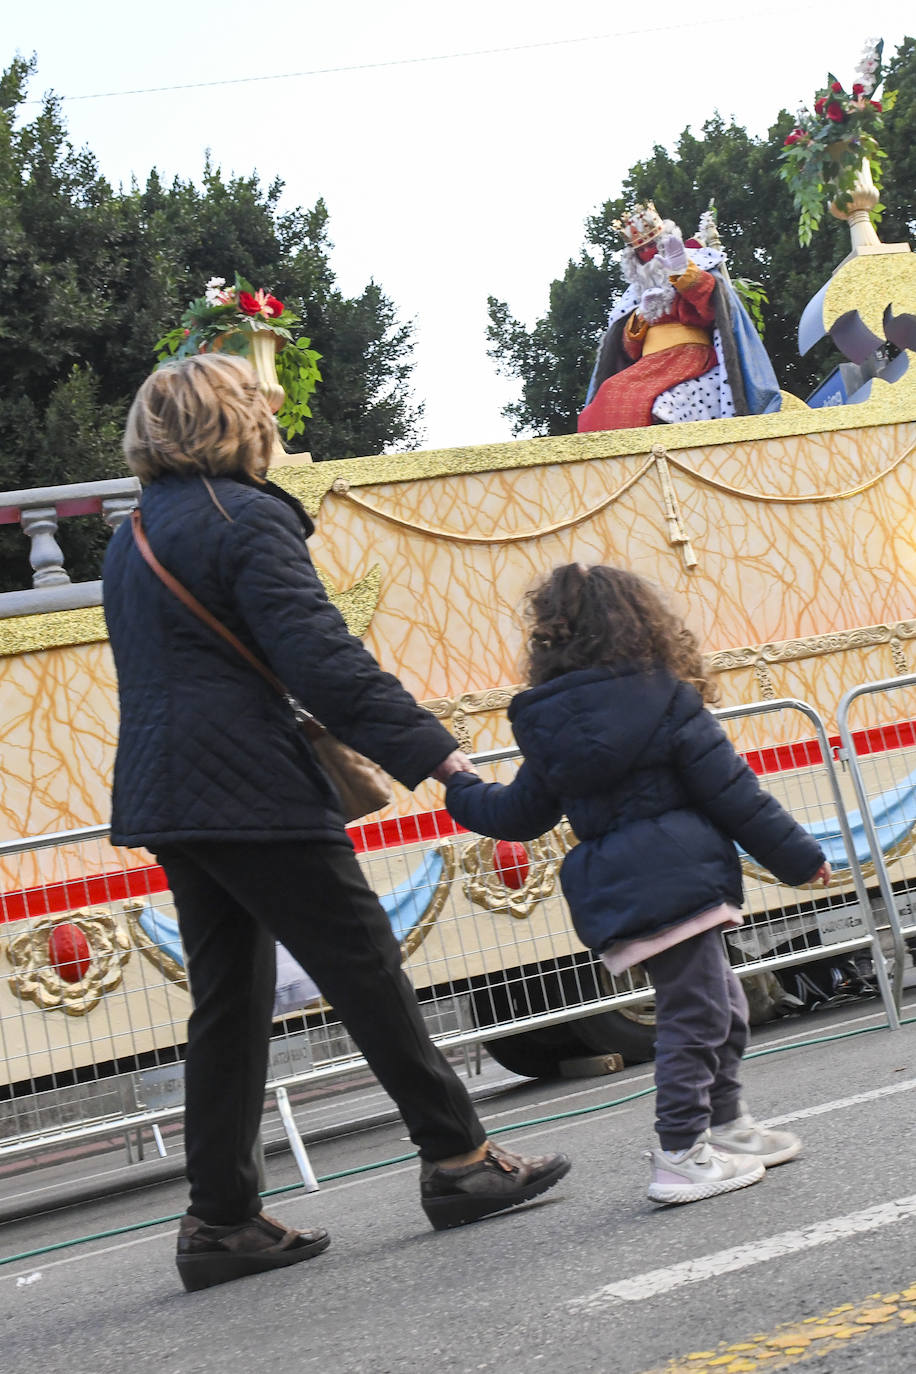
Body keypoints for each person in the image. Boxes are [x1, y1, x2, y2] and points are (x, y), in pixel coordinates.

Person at [102, 353, 570, 1292]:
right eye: (262, 406)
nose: (272, 420)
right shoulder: (248, 518)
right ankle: (459, 1159)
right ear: (234, 420)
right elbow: (323, 660)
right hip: (253, 790)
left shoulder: (133, 533)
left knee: (227, 1007)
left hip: (168, 791)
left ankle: (221, 1220)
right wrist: (437, 755)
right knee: (364, 969)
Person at [444, 563, 830, 1207]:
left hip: (618, 885)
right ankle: (681, 1153)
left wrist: (459, 783)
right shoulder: (667, 700)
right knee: (699, 1015)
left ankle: (726, 1127)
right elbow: (735, 794)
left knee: (721, 1005)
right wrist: (800, 857)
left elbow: (517, 815)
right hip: (678, 876)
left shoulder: (547, 723)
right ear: (640, 623)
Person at [578, 202, 781, 432]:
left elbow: (711, 311)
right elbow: (627, 351)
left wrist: (683, 275)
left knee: (659, 403)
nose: (649, 255)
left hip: (689, 356)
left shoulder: (696, 263)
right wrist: (640, 318)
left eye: (652, 246)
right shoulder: (632, 296)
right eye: (642, 252)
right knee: (610, 391)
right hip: (649, 365)